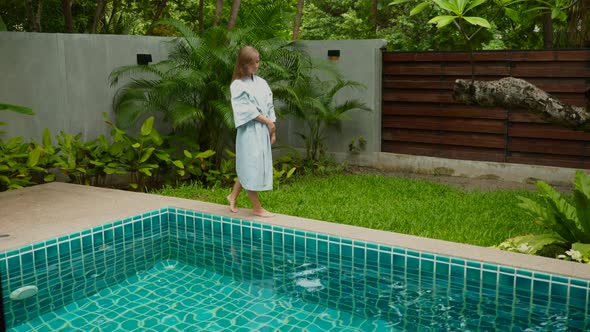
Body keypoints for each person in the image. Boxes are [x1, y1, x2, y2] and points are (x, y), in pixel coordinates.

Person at [226, 46, 276, 217]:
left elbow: (269, 106)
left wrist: (272, 129)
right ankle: (257, 207)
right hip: (249, 131)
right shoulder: (237, 85)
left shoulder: (262, 83)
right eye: (252, 62)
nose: (257, 65)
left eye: (258, 61)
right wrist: (268, 123)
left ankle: (232, 196)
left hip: (263, 131)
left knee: (251, 165)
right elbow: (247, 111)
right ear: (243, 65)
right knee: (251, 166)